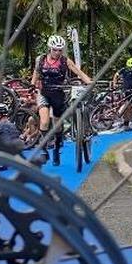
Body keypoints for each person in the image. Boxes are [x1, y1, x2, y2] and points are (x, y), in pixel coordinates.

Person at [31, 35, 92, 166]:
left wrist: (89, 82)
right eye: (55, 49)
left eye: (60, 50)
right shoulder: (40, 59)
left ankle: (57, 150)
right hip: (44, 93)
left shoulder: (65, 61)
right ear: (49, 48)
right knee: (45, 121)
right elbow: (36, 73)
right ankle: (43, 149)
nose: (57, 52)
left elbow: (78, 72)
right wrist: (32, 85)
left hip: (58, 94)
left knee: (58, 125)